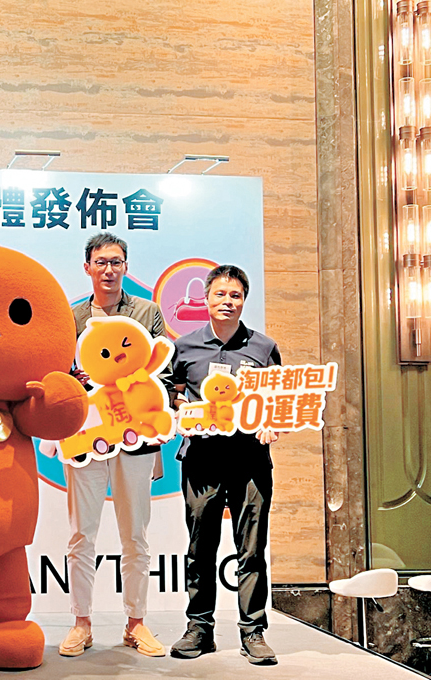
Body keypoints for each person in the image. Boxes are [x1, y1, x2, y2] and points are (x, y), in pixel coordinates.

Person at [58, 233, 170, 658]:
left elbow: (163, 370)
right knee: (81, 534)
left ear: (126, 266)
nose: (109, 269)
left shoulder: (147, 312)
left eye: (117, 262)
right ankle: (81, 623)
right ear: (87, 267)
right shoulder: (70, 317)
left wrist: (126, 381)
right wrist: (75, 380)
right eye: (101, 262)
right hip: (86, 435)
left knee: (135, 535)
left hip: (135, 437)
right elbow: (57, 372)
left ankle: (136, 623)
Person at [169, 264, 281, 666]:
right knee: (200, 547)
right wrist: (180, 409)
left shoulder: (264, 348)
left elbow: (278, 398)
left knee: (251, 549)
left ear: (244, 301)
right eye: (220, 294)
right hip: (202, 459)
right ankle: (199, 628)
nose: (227, 301)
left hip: (251, 461)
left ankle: (253, 631)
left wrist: (272, 422)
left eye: (235, 295)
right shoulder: (184, 347)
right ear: (206, 298)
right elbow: (170, 391)